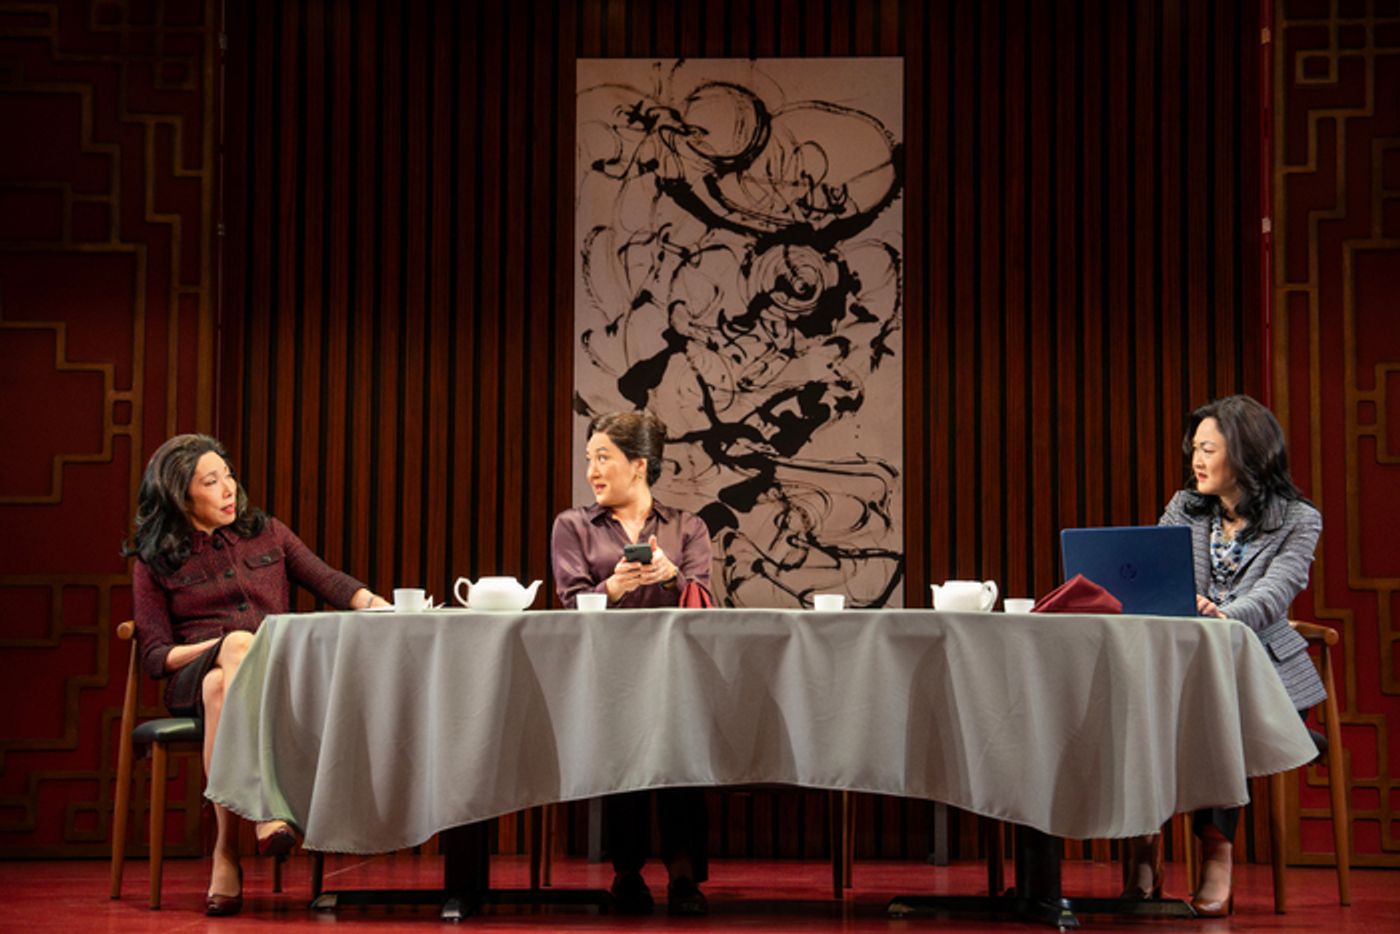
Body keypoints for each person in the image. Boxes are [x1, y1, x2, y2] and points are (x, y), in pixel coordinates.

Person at [123, 434, 388, 916]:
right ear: (182, 496)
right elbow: (157, 656)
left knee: (221, 687)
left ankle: (226, 852)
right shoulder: (154, 560)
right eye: (211, 482)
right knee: (230, 656)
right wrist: (224, 646)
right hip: (192, 676)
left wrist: (379, 605)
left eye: (228, 475)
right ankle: (266, 810)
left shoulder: (267, 533)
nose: (229, 489)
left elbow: (329, 581)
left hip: (270, 677)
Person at [1122, 395, 1326, 916]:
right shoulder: (1185, 507)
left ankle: (1217, 850)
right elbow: (1158, 574)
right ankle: (1144, 838)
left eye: (1208, 449)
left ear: (1246, 454)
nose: (1196, 460)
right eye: (1194, 448)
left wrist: (1222, 614)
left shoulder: (1298, 520)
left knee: (1217, 712)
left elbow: (1275, 594)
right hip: (1183, 666)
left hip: (1261, 670)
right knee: (1134, 707)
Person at [550, 410, 714, 915]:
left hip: (675, 672)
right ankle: (626, 873)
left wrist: (670, 576)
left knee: (681, 760)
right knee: (624, 764)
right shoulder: (574, 526)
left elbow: (703, 603)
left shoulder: (688, 527)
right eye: (589, 459)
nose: (592, 472)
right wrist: (614, 587)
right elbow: (570, 604)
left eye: (603, 458)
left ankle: (684, 874)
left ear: (639, 464)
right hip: (607, 673)